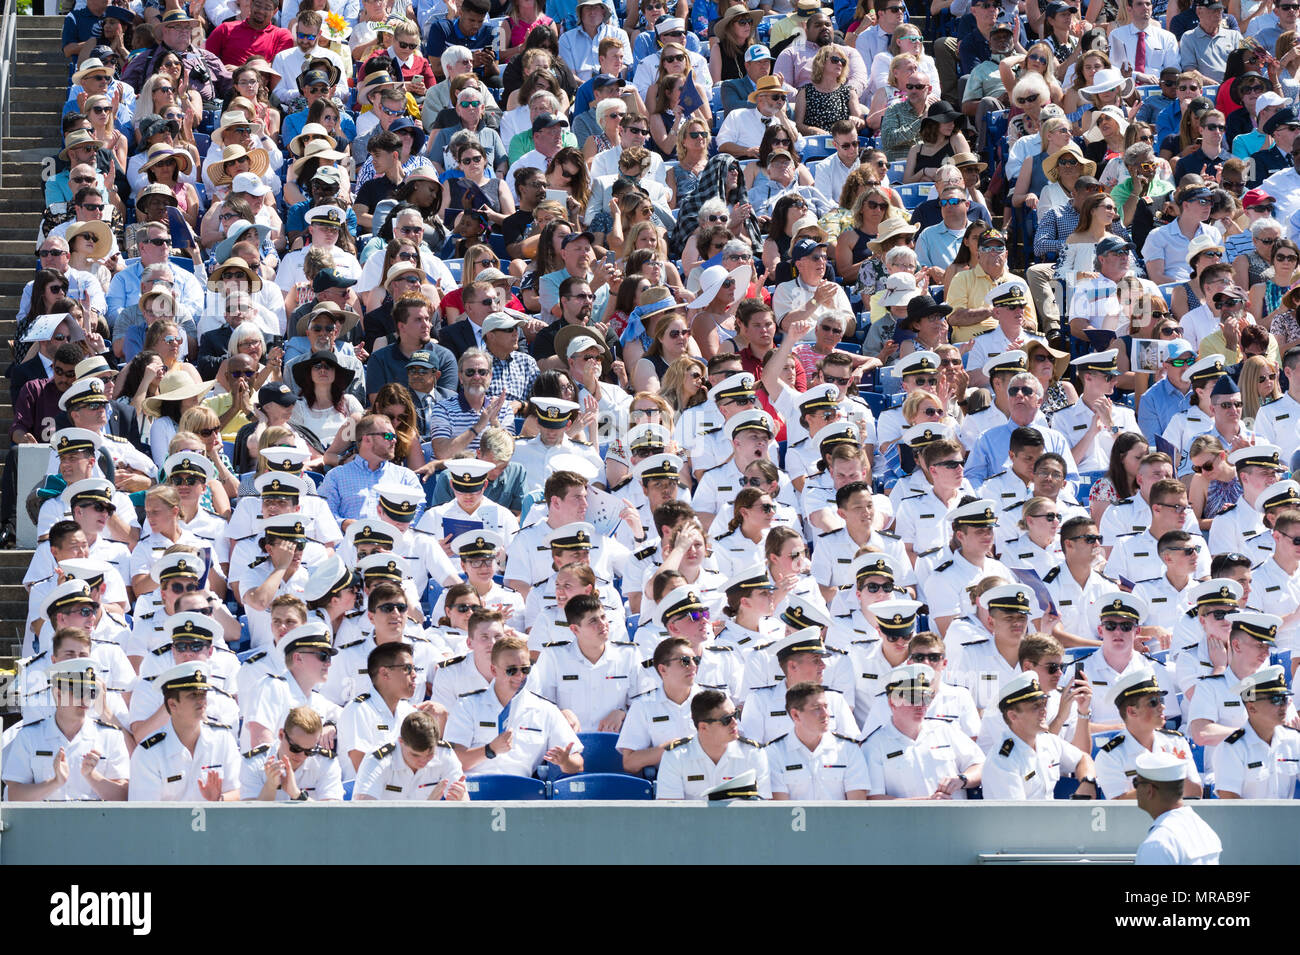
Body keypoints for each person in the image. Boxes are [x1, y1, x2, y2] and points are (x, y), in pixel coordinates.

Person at [444, 635, 585, 776]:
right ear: (494, 671)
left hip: (521, 792)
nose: (519, 676)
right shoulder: (468, 705)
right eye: (511, 670)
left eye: (525, 670)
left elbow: (578, 763)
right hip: (474, 790)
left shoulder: (546, 710)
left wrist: (565, 761)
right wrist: (490, 750)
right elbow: (452, 760)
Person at [2, 657, 130, 802]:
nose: (85, 699)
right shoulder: (29, 736)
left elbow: (124, 797)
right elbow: (15, 796)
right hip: (44, 823)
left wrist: (92, 777)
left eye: (91, 692)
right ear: (57, 693)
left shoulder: (111, 736)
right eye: (78, 692)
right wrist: (54, 783)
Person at [860, 663, 984, 799]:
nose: (921, 704)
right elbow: (874, 799)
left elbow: (981, 765)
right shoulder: (874, 745)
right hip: (907, 820)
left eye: (926, 697)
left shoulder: (945, 731)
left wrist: (962, 779)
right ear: (892, 702)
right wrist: (927, 803)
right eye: (912, 698)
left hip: (955, 818)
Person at [128, 661, 242, 801]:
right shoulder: (148, 752)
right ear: (172, 704)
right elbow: (146, 815)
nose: (202, 701)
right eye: (193, 695)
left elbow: (241, 792)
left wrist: (218, 801)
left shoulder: (223, 739)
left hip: (217, 822)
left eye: (203, 694)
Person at [981, 671, 1100, 800]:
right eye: (1035, 706)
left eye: (1044, 703)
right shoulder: (1002, 761)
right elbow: (1015, 816)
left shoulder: (1048, 741)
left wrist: (1087, 781)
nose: (1044, 710)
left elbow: (1083, 758)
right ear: (1013, 716)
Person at [1095, 668, 1202, 799]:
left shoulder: (1176, 742)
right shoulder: (1110, 755)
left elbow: (1195, 793)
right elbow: (1119, 804)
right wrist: (1166, 778)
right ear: (1132, 712)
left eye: (1161, 700)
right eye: (1153, 702)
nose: (1162, 707)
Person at [655, 688, 771, 799]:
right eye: (726, 719)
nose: (735, 723)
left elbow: (765, 811)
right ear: (703, 727)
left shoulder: (754, 754)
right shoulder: (675, 757)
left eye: (735, 714)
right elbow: (670, 813)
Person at [767, 681, 872, 800]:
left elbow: (857, 808)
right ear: (795, 715)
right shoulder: (774, 753)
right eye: (816, 708)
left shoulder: (849, 750)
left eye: (826, 707)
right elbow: (780, 811)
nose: (826, 714)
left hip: (840, 819)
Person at [1214, 664, 1300, 799]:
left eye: (1284, 699)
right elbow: (1230, 804)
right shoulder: (1232, 748)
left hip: (1289, 819)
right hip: (1248, 820)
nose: (1283, 706)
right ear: (1252, 707)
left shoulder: (1294, 740)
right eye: (1275, 699)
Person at [354, 710, 468, 801]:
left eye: (430, 754)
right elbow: (365, 816)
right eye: (415, 755)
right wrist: (429, 807)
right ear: (401, 741)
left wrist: (459, 801)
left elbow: (467, 809)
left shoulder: (445, 754)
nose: (423, 760)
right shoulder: (377, 760)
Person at [1133, 751, 1223, 864]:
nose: (1135, 789)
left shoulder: (1158, 843)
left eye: (1136, 783)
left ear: (1149, 791)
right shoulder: (1203, 828)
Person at [239, 705, 345, 801]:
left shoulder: (326, 762)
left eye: (310, 751)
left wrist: (298, 795)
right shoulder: (254, 762)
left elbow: (331, 816)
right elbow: (251, 819)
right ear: (281, 735)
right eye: (296, 748)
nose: (302, 756)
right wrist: (270, 787)